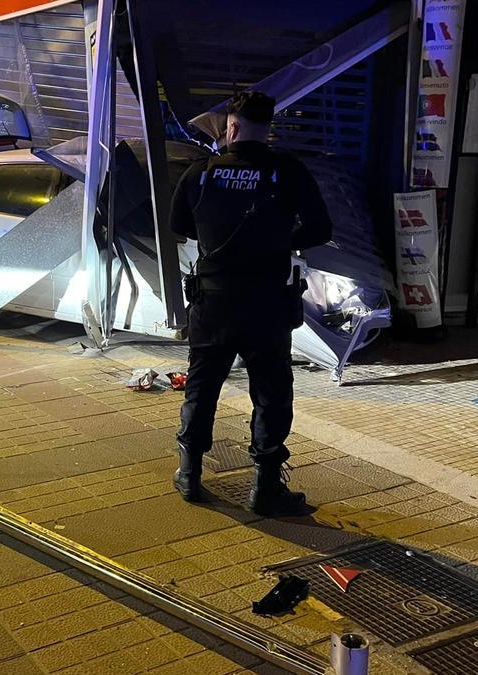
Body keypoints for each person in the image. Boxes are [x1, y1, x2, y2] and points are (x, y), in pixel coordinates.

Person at [170, 91, 332, 516]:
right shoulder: (287, 171)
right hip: (267, 302)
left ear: (231, 126)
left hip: (213, 301)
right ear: (268, 127)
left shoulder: (200, 172)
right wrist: (281, 243)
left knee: (202, 386)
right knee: (272, 391)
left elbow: (178, 226)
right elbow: (320, 228)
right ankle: (266, 488)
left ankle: (190, 475)